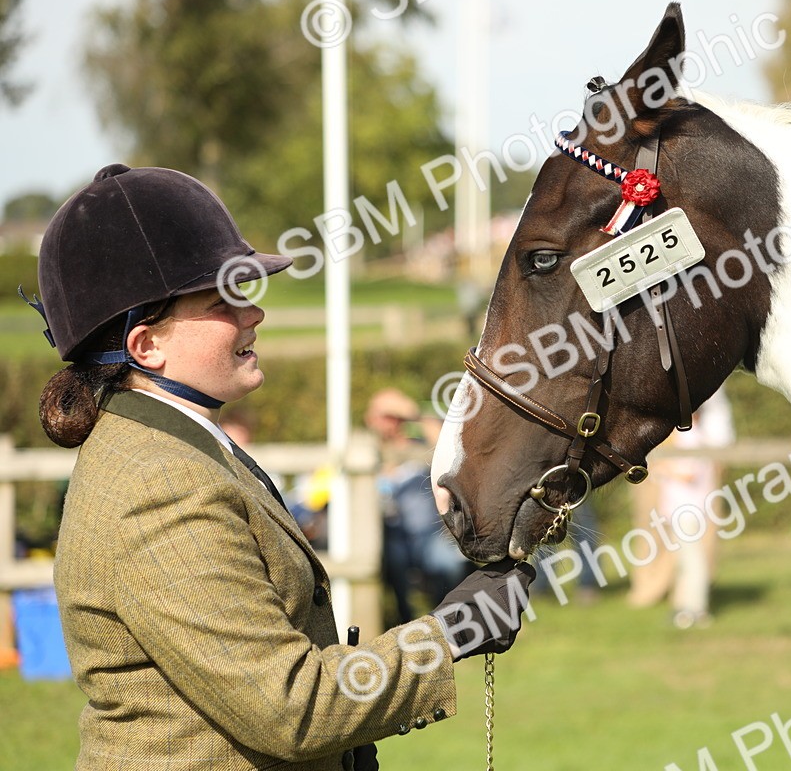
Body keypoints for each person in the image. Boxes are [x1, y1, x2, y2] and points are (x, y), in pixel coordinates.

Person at [23, 164, 534, 770]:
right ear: (145, 345)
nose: (253, 314)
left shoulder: (175, 446)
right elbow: (289, 707)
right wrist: (449, 634)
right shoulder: (159, 485)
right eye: (224, 301)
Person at [627, 387, 735, 628]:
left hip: (690, 510)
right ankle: (686, 605)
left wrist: (662, 468)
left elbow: (688, 473)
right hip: (680, 509)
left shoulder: (691, 437)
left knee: (692, 560)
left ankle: (694, 608)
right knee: (687, 560)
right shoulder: (688, 436)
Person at [365, 388, 471, 625]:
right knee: (393, 562)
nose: (388, 423)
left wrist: (413, 412)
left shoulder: (418, 446)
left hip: (427, 535)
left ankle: (446, 620)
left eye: (394, 416)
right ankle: (406, 623)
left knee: (448, 563)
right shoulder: (366, 450)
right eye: (382, 415)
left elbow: (450, 447)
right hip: (387, 537)